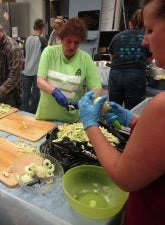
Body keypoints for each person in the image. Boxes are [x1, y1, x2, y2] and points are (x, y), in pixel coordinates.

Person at [78, 0, 165, 224]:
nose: (144, 41)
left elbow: (123, 176)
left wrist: (90, 124)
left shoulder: (162, 106)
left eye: (150, 30)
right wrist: (132, 120)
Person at [35, 17, 102, 123]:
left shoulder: (85, 59)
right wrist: (54, 92)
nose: (72, 46)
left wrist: (85, 101)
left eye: (76, 42)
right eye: (68, 41)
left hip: (70, 120)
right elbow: (40, 81)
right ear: (61, 39)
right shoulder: (49, 53)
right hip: (45, 117)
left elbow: (97, 89)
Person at [108, 9, 152, 110]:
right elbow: (149, 60)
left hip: (115, 75)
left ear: (130, 23)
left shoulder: (117, 36)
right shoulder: (146, 37)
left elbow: (112, 58)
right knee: (133, 111)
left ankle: (113, 126)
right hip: (135, 76)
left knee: (114, 109)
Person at [21, 19, 47, 114]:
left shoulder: (26, 39)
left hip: (26, 71)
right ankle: (33, 112)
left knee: (25, 93)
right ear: (42, 28)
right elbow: (45, 57)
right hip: (37, 72)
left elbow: (25, 54)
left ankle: (23, 112)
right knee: (36, 93)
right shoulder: (42, 40)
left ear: (34, 27)